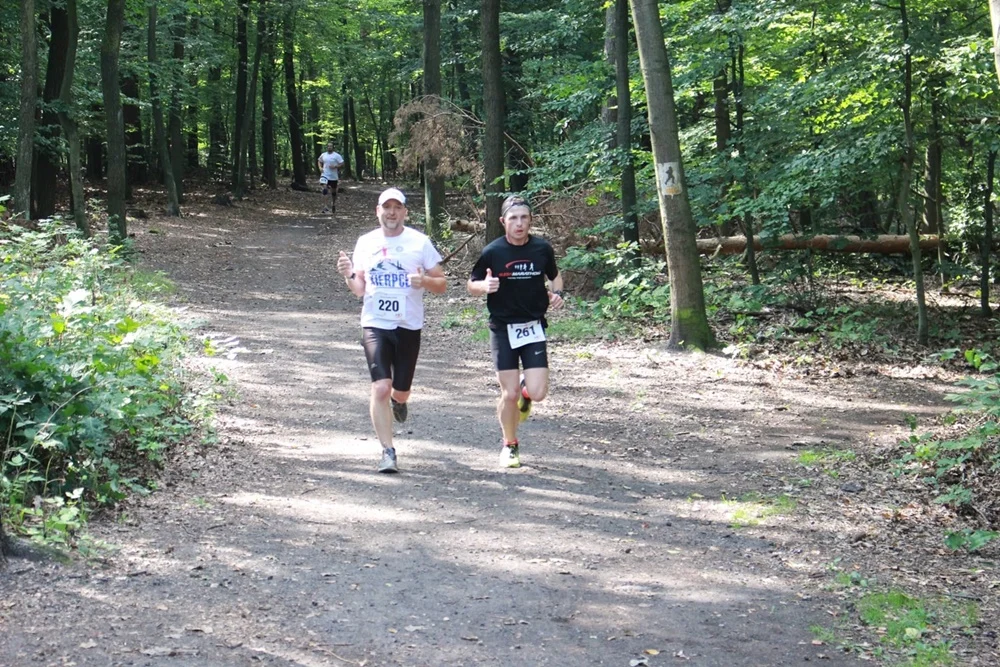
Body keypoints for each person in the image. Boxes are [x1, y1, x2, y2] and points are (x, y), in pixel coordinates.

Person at [337, 188, 447, 473]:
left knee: (401, 391)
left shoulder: (419, 242)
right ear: (378, 211)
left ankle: (399, 402)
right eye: (387, 207)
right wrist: (349, 274)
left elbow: (441, 283)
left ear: (405, 212)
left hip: (408, 324)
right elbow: (359, 289)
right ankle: (388, 451)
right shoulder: (366, 242)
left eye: (397, 207)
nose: (392, 213)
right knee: (381, 387)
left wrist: (424, 281)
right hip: (375, 323)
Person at [467, 195, 564, 468]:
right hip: (502, 328)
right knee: (508, 395)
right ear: (503, 221)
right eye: (513, 218)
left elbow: (555, 276)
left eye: (524, 218)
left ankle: (526, 391)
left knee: (538, 392)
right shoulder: (493, 252)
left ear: (530, 220)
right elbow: (471, 284)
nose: (519, 224)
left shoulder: (542, 249)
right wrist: (484, 287)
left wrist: (557, 294)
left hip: (533, 326)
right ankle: (510, 445)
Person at [316, 142, 345, 215]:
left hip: (333, 176)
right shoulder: (323, 155)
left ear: (333, 147)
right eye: (328, 146)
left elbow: (342, 163)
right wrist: (320, 168)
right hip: (324, 175)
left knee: (333, 192)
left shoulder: (336, 155)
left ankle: (333, 204)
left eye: (331, 146)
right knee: (325, 189)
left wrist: (335, 166)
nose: (329, 147)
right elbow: (319, 161)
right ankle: (325, 207)